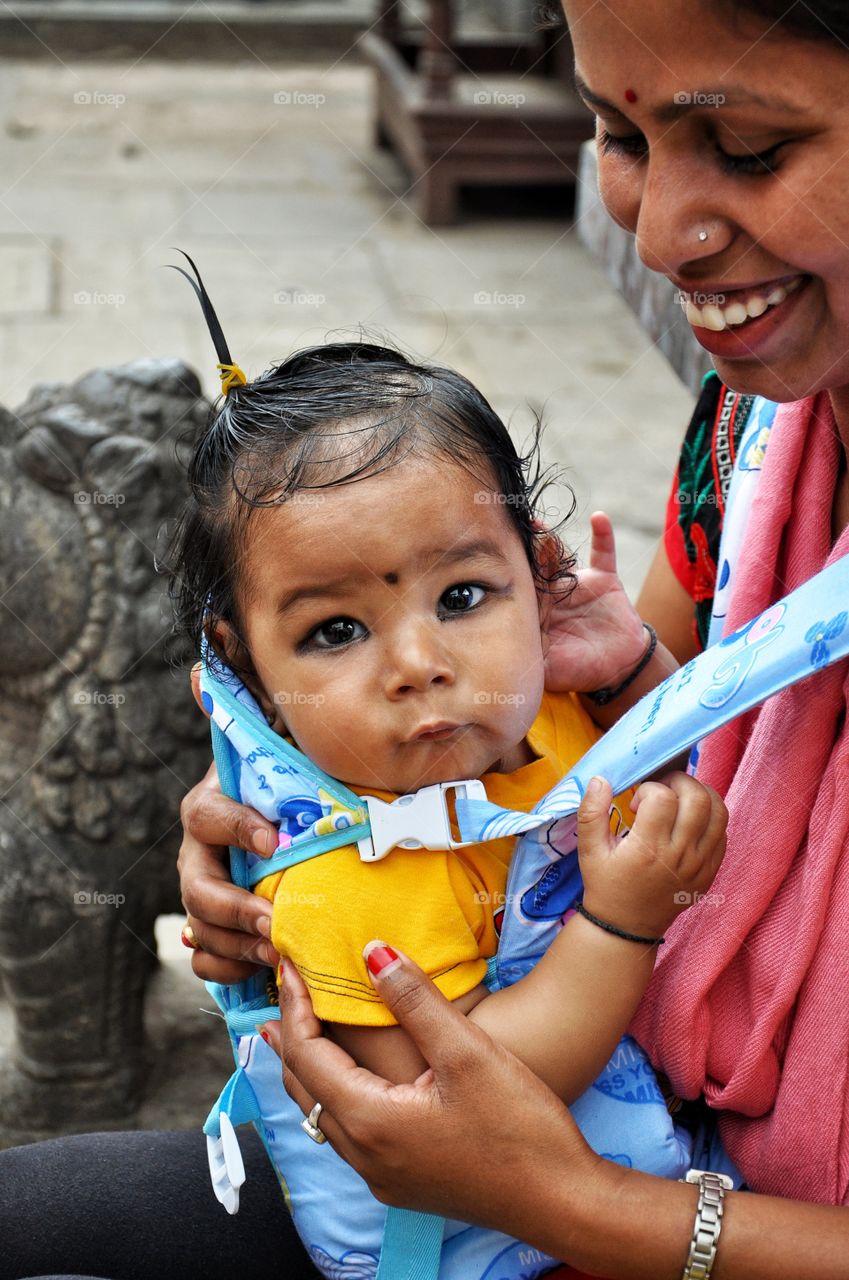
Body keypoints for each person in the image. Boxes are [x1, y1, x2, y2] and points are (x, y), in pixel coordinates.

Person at [4, 0, 849, 1276]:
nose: (665, 234)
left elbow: (486, 1093)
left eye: (746, 147)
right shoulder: (756, 434)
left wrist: (587, 1213)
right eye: (619, 133)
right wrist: (289, 802)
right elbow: (675, 743)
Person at [168, 334, 726, 1273]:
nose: (419, 663)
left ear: (538, 575)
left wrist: (633, 671)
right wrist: (620, 927)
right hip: (499, 1251)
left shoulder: (551, 714)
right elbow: (475, 1099)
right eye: (335, 630)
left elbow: (700, 771)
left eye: (463, 594)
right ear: (249, 675)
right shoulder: (346, 886)